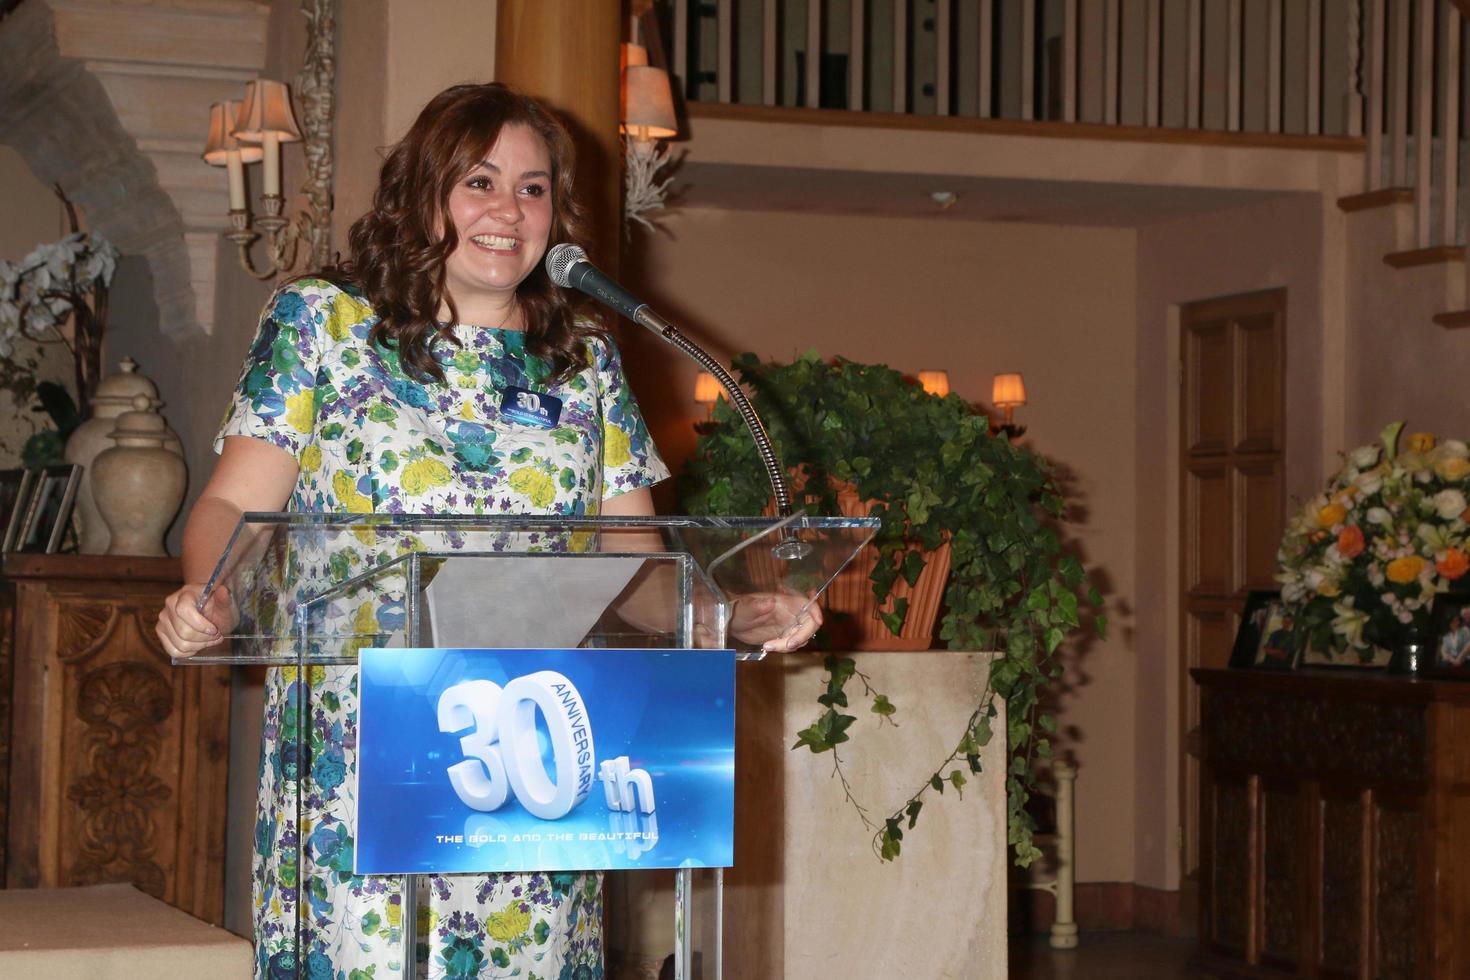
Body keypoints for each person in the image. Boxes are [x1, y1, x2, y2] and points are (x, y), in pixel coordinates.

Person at [156, 83, 816, 980]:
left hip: (534, 756)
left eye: (534, 188)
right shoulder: (323, 324)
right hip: (356, 753)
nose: (509, 210)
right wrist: (214, 590)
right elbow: (233, 506)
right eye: (480, 180)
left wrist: (727, 616)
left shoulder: (586, 359)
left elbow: (638, 570)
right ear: (420, 194)